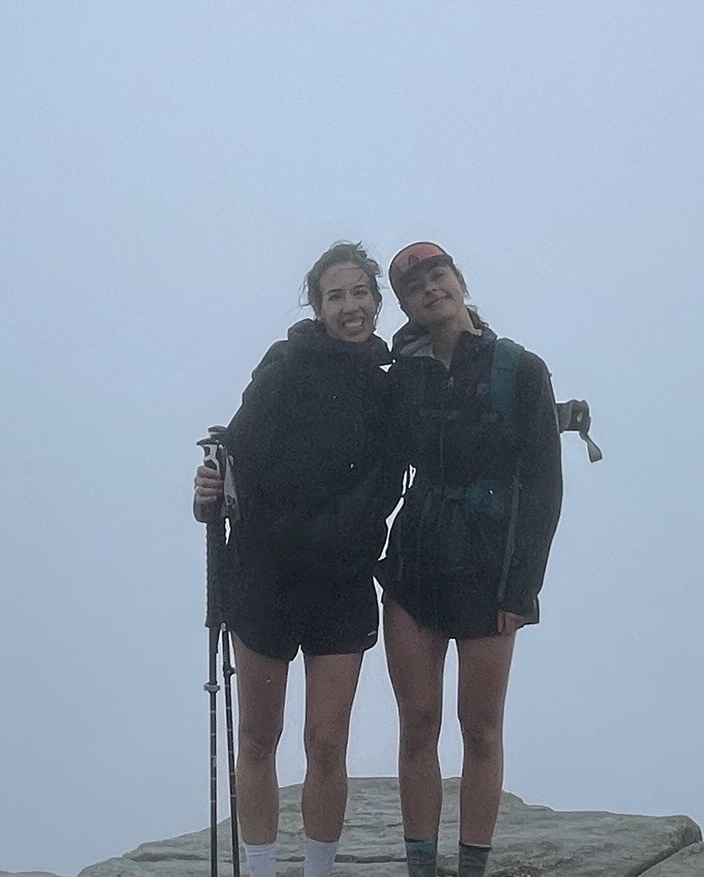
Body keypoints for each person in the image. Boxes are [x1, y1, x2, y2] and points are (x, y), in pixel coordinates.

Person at [193, 242, 397, 877]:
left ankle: (317, 871)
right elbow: (236, 456)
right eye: (336, 296)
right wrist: (208, 495)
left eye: (360, 293)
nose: (350, 306)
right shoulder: (283, 368)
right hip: (267, 575)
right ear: (317, 306)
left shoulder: (387, 386)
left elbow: (391, 479)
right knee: (260, 736)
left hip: (341, 581)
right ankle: (260, 870)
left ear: (377, 300)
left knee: (327, 742)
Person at [380, 242, 564, 877]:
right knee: (418, 725)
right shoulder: (400, 378)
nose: (431, 289)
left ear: (459, 281)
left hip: (491, 570)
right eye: (415, 287)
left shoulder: (521, 369)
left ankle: (472, 869)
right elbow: (368, 465)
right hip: (413, 567)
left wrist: (521, 589)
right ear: (405, 306)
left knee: (481, 729)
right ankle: (420, 868)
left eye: (439, 276)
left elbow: (543, 488)